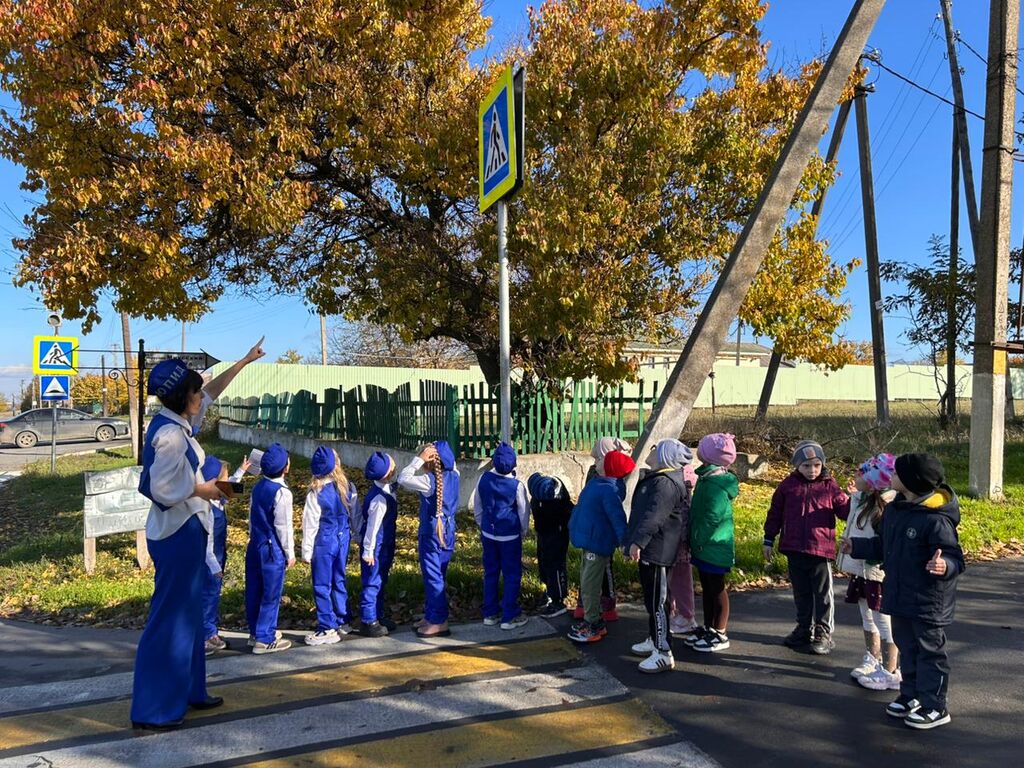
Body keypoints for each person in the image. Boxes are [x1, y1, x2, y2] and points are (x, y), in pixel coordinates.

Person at [130, 338, 265, 731]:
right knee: (169, 620)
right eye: (196, 390)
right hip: (176, 534)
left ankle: (189, 690)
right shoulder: (171, 436)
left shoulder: (177, 421)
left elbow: (213, 389)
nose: (202, 395)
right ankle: (154, 709)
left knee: (187, 616)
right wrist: (209, 489)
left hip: (187, 529)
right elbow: (161, 489)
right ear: (182, 396)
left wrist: (244, 360)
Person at [842, 453, 964, 730]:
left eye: (897, 474)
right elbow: (883, 545)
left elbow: (955, 557)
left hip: (928, 601)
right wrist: (856, 547)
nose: (892, 477)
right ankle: (910, 695)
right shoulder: (895, 510)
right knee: (907, 648)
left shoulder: (936, 520)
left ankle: (935, 706)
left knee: (929, 653)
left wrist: (944, 565)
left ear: (911, 481)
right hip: (899, 595)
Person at [763, 440, 851, 655]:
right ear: (797, 465)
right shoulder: (788, 485)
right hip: (794, 547)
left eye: (817, 465)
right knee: (801, 592)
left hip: (820, 549)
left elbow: (844, 512)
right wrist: (769, 538)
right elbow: (775, 513)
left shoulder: (830, 486)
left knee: (822, 594)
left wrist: (854, 500)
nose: (812, 470)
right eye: (806, 466)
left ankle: (823, 631)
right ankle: (804, 628)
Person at [624, 439, 692, 673]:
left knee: (658, 602)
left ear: (665, 456)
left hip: (658, 550)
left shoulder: (665, 484)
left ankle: (663, 651)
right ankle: (655, 639)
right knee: (651, 599)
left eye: (655, 448)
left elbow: (653, 517)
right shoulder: (657, 478)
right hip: (652, 548)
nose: (650, 450)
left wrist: (638, 542)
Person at [837, 453, 900, 690]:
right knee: (867, 614)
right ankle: (873, 658)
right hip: (861, 568)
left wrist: (864, 552)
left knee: (883, 619)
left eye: (861, 473)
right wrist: (855, 495)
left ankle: (890, 670)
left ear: (874, 480)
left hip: (875, 571)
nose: (855, 476)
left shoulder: (887, 505)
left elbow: (884, 543)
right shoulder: (863, 499)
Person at [567, 450, 635, 644]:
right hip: (589, 541)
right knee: (586, 580)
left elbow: (617, 519)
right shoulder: (598, 483)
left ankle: (593, 623)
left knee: (589, 584)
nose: (597, 461)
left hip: (597, 543)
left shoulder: (608, 490)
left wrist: (625, 543)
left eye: (602, 460)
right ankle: (594, 618)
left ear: (609, 468)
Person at [398, 441, 460, 638]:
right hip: (448, 532)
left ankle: (439, 621)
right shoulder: (455, 475)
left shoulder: (428, 482)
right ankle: (432, 615)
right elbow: (450, 463)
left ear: (429, 463)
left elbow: (403, 478)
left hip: (431, 534)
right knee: (438, 575)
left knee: (433, 578)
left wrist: (418, 460)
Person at [687, 433, 739, 653]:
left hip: (713, 545)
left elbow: (712, 517)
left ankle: (720, 632)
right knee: (707, 588)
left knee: (716, 589)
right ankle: (709, 627)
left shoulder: (716, 484)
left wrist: (698, 539)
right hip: (704, 545)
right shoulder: (707, 478)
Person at [302, 446, 358, 646]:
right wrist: (358, 536)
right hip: (343, 538)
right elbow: (355, 515)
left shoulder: (316, 492)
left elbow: (310, 523)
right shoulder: (347, 486)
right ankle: (343, 619)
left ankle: (327, 626)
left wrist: (306, 551)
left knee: (321, 584)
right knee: (339, 578)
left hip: (324, 541)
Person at [473, 442, 530, 630]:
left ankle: (490, 612)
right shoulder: (517, 486)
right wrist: (522, 531)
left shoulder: (483, 479)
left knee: (490, 572)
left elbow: (478, 505)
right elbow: (523, 512)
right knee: (511, 574)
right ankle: (509, 615)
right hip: (510, 536)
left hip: (489, 533)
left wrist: (482, 524)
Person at [245, 442, 295, 654]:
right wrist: (290, 553)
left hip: (255, 544)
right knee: (271, 593)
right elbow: (284, 526)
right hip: (272, 549)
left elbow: (251, 517)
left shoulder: (258, 487)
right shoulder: (282, 493)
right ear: (285, 468)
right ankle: (265, 638)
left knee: (254, 589)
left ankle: (255, 631)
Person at [201, 454, 250, 655]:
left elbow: (233, 487)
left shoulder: (217, 499)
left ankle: (210, 631)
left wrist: (242, 471)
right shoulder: (207, 510)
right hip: (210, 562)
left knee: (212, 594)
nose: (228, 485)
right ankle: (207, 636)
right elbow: (207, 544)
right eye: (224, 480)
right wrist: (215, 567)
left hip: (218, 556)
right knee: (208, 594)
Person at [359, 451, 399, 637]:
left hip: (385, 544)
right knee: (372, 581)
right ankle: (368, 620)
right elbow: (372, 528)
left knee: (381, 579)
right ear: (388, 473)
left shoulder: (386, 490)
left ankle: (378, 614)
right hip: (376, 546)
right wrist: (368, 551)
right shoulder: (379, 499)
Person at [527, 472, 574, 618]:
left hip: (557, 535)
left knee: (556, 566)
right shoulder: (537, 495)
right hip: (544, 534)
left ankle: (558, 599)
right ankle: (550, 592)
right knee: (544, 563)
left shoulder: (560, 501)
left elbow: (568, 516)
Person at [668, 459, 699, 642]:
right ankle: (675, 611)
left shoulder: (680, 485)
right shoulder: (682, 484)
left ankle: (687, 616)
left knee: (681, 580)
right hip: (676, 540)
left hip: (680, 541)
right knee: (674, 579)